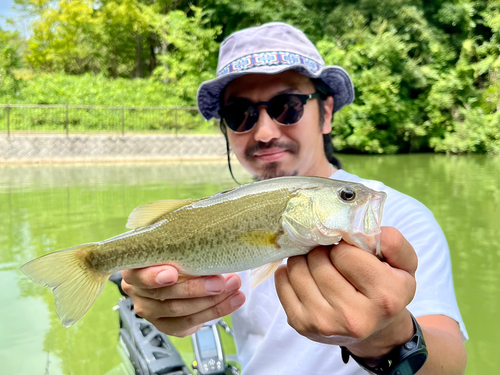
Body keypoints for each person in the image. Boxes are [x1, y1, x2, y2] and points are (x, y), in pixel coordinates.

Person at [121, 22, 468, 374]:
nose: (266, 131)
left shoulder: (400, 215)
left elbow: (452, 363)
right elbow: (188, 312)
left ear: (327, 112)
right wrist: (168, 309)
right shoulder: (214, 215)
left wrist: (389, 339)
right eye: (239, 114)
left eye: (287, 106)